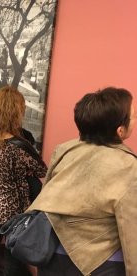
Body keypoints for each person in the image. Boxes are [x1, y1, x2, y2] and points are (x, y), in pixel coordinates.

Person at [29, 87, 137, 275]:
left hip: (50, 250)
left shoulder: (64, 150)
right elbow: (132, 234)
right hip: (96, 263)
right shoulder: (128, 166)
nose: (135, 120)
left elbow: (47, 198)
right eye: (133, 116)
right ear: (120, 130)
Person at [0, 86, 47, 276]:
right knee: (13, 259)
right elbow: (42, 169)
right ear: (14, 112)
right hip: (14, 212)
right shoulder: (19, 146)